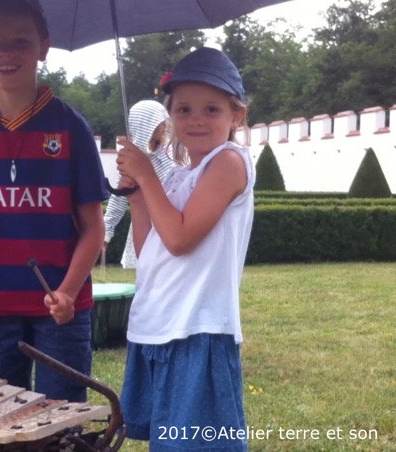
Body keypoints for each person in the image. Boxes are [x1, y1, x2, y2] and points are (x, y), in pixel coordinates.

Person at [0, 0, 108, 403]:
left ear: (44, 46)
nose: (6, 54)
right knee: (0, 421)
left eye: (21, 42)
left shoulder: (70, 127)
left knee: (61, 422)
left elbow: (94, 226)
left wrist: (67, 290)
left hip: (61, 310)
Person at [115, 47, 254, 451]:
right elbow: (151, 251)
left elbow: (179, 239)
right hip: (158, 326)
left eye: (212, 109)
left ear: (236, 116)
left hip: (198, 328)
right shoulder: (180, 177)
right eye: (184, 110)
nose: (196, 120)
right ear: (169, 116)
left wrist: (145, 172)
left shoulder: (229, 162)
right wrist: (139, 196)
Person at [103, 100, 174, 269]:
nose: (164, 126)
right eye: (158, 122)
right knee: (150, 271)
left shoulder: (170, 152)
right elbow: (120, 196)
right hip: (147, 224)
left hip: (172, 219)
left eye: (165, 120)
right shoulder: (134, 161)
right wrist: (107, 228)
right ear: (146, 125)